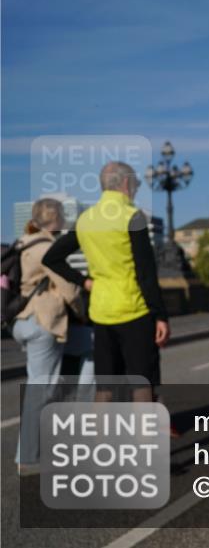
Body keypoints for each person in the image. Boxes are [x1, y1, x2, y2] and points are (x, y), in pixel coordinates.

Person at [45, 162, 170, 404]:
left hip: (101, 313)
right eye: (135, 184)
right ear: (125, 183)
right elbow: (146, 273)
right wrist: (160, 315)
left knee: (106, 386)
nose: (135, 189)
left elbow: (52, 258)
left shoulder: (86, 219)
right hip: (134, 310)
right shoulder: (132, 217)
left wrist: (84, 281)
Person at [12, 198, 87, 475]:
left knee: (91, 348)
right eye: (62, 217)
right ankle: (28, 457)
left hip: (24, 321)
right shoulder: (46, 247)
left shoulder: (25, 242)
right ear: (54, 220)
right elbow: (70, 288)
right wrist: (83, 312)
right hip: (44, 322)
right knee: (40, 389)